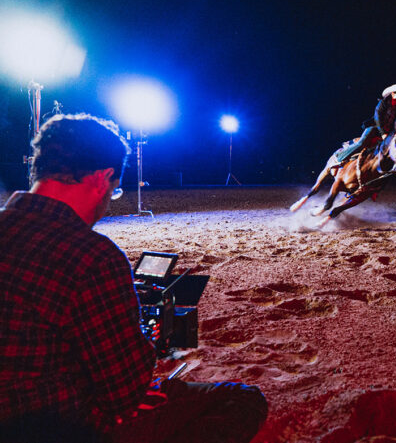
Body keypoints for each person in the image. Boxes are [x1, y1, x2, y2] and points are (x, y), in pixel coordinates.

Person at [0, 114, 267, 443]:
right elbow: (125, 393)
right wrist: (143, 338)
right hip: (58, 424)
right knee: (242, 400)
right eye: (113, 192)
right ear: (103, 178)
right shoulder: (92, 255)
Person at [334, 83, 396, 165]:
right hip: (375, 128)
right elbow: (377, 118)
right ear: (393, 93)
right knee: (362, 143)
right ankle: (339, 156)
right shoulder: (383, 103)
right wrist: (383, 133)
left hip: (387, 132)